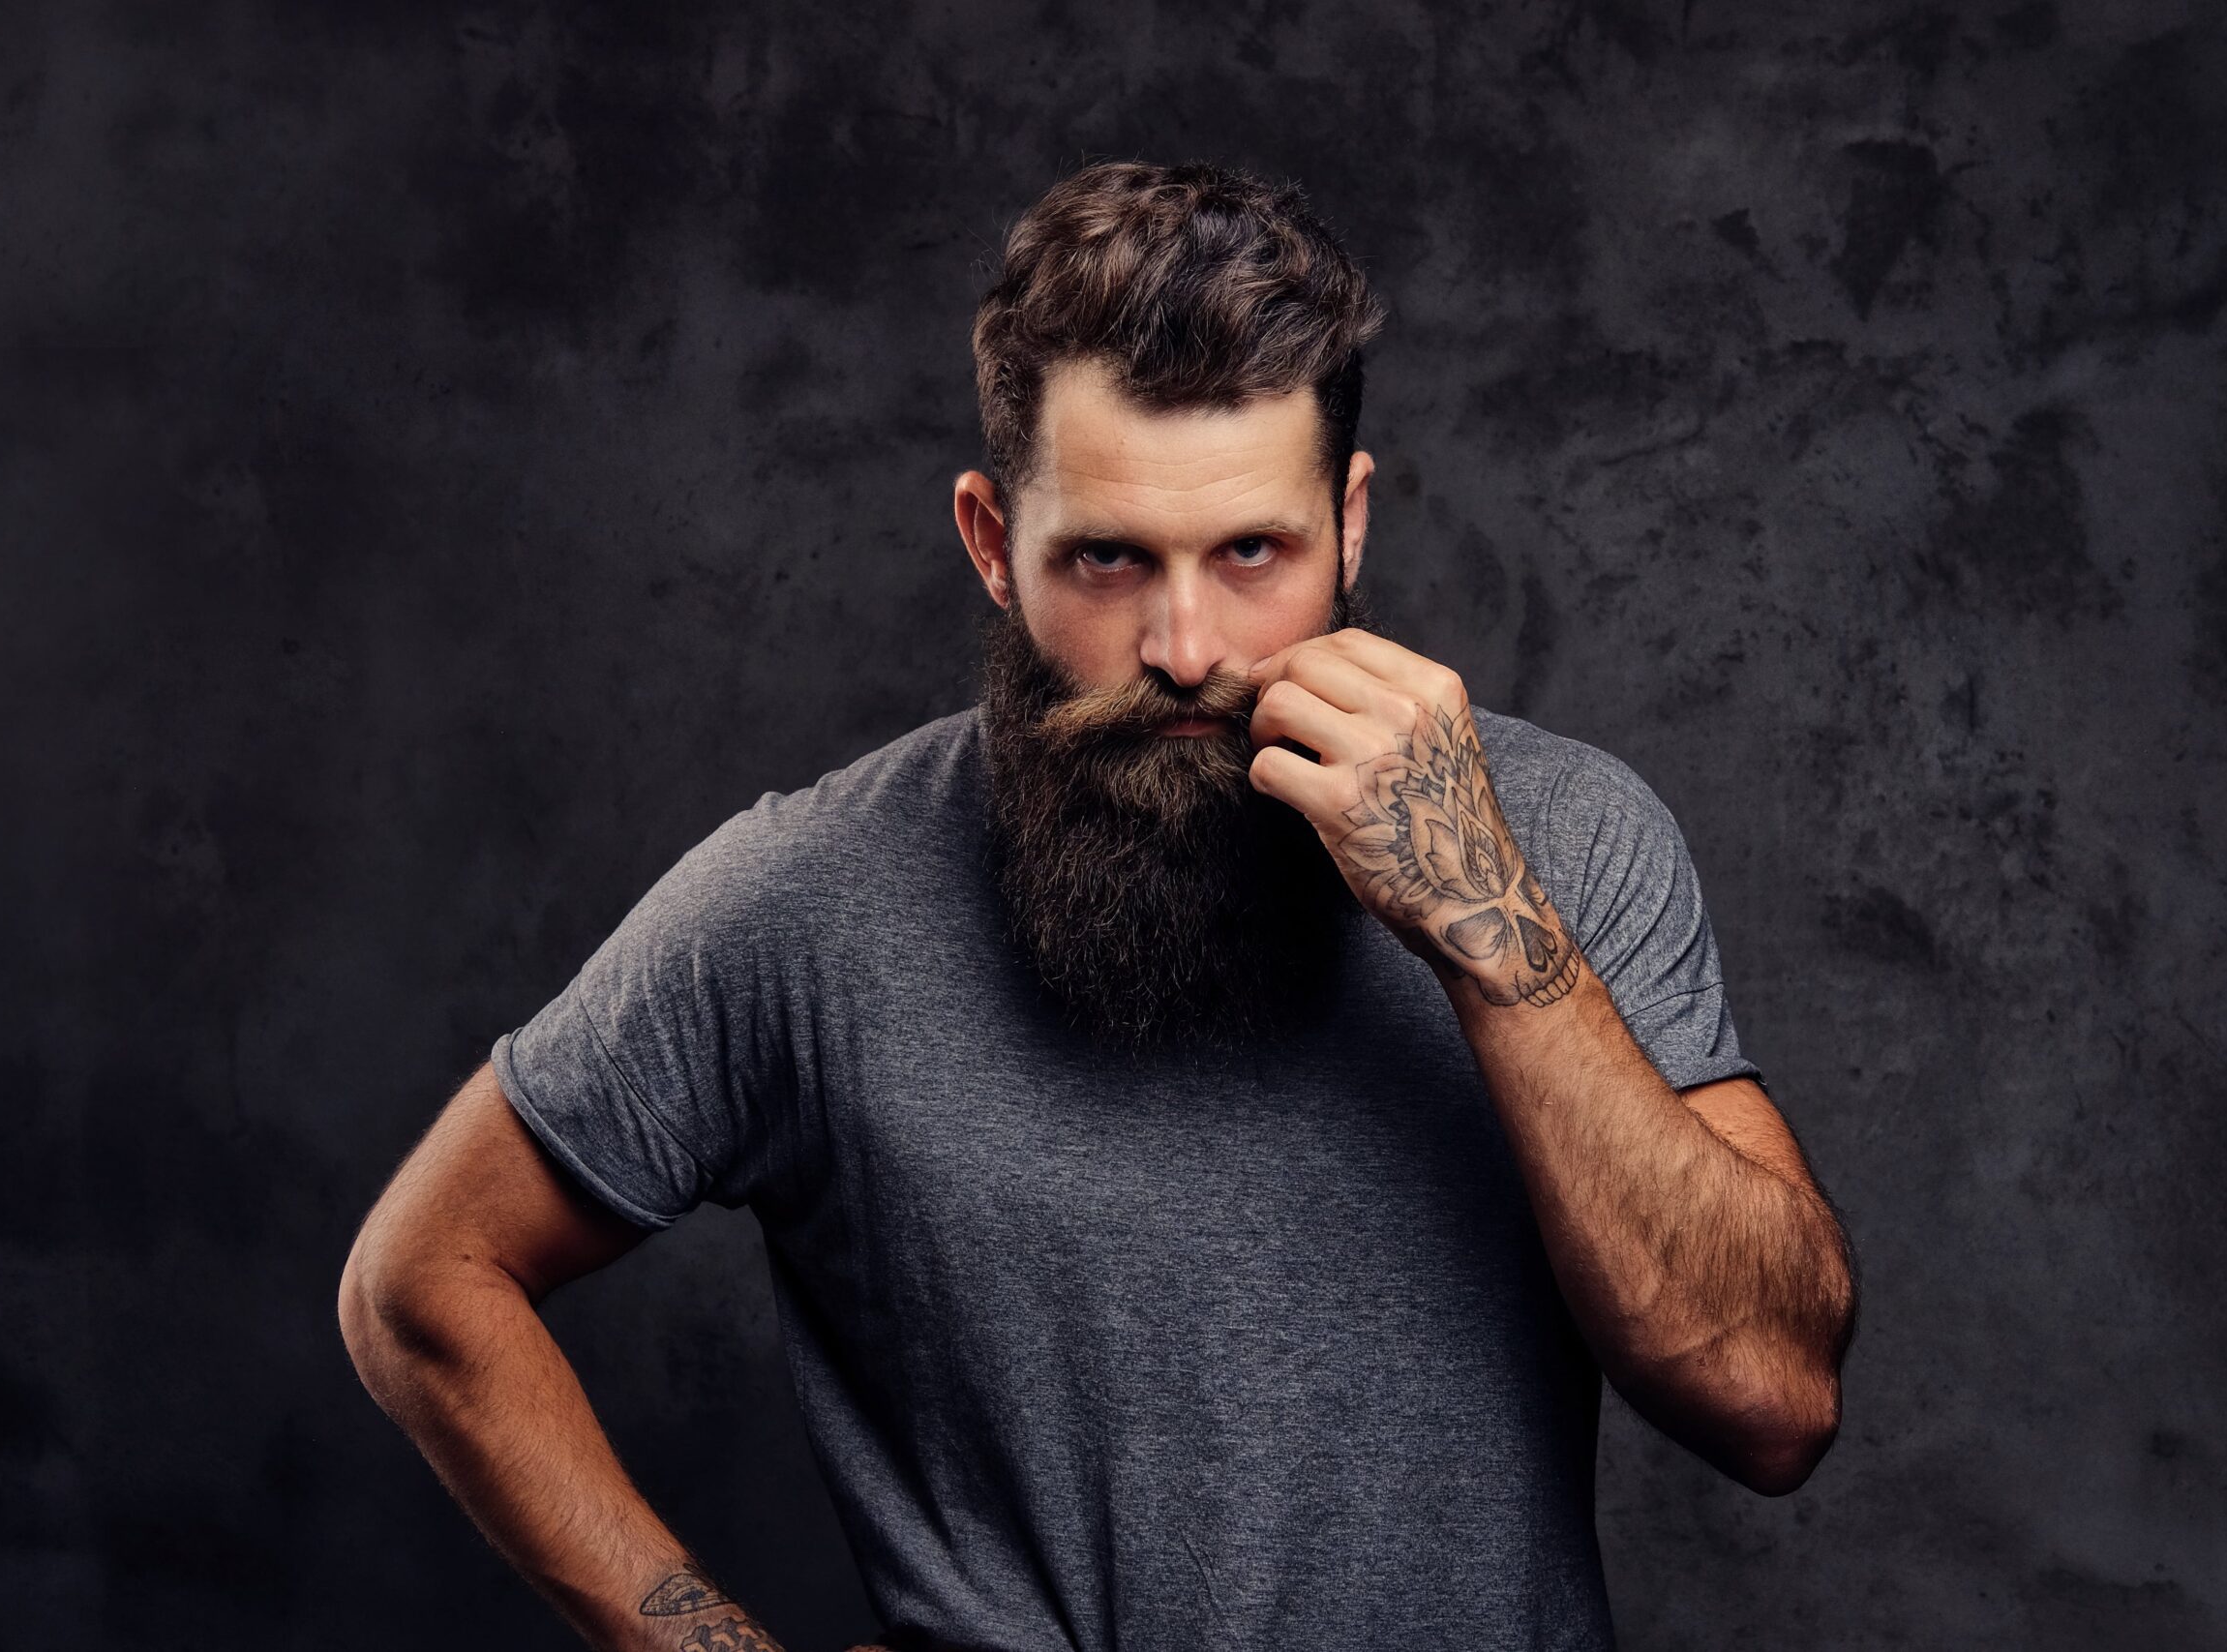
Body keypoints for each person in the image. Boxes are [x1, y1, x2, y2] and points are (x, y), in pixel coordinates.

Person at [339, 160, 1858, 1652]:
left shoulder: (1567, 838)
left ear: (1352, 523)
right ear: (995, 546)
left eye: (1253, 551)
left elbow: (1775, 1405)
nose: (1187, 645)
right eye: (1110, 559)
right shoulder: (807, 902)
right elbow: (421, 1282)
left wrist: (1485, 924)